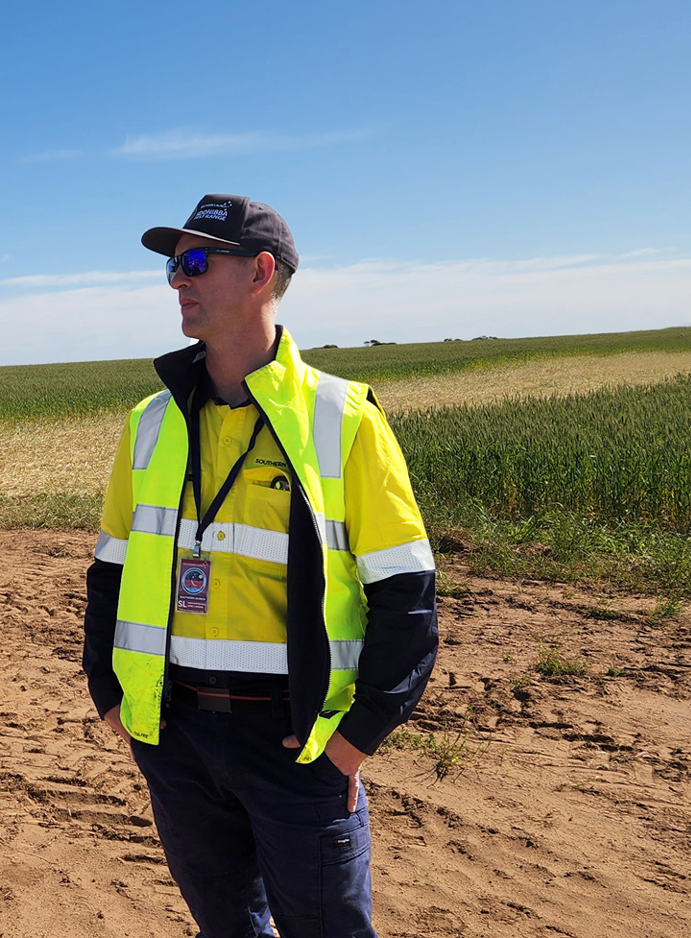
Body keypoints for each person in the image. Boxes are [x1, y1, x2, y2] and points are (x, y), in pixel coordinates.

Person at [81, 194, 438, 938]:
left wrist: (353, 741)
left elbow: (407, 598)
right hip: (175, 737)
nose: (178, 280)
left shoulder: (343, 418)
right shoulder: (151, 423)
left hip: (295, 745)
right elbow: (110, 570)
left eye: (196, 262)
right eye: (173, 266)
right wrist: (109, 693)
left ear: (261, 273)